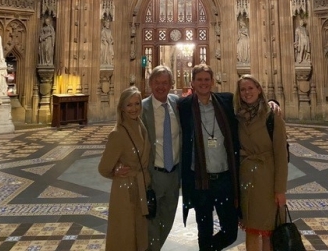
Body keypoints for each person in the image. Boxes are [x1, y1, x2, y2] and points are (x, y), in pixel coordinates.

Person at [117, 65, 181, 251]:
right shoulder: (141, 107)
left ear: (171, 84)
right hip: (152, 174)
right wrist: (117, 163)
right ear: (150, 84)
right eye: (157, 82)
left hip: (174, 174)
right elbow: (123, 132)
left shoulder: (177, 104)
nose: (161, 86)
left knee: (167, 219)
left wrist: (272, 102)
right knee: (151, 221)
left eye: (165, 83)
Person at [178, 64, 240, 251]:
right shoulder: (183, 106)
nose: (203, 83)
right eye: (199, 80)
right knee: (203, 230)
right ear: (193, 83)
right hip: (200, 181)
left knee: (230, 231)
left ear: (212, 82)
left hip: (224, 179)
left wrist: (272, 102)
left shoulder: (226, 101)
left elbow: (251, 100)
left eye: (207, 79)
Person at [234, 75, 288, 251]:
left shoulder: (272, 115)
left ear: (259, 89)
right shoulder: (237, 115)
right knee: (251, 228)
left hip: (267, 179)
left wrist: (280, 190)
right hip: (247, 179)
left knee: (268, 230)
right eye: (243, 89)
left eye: (250, 88)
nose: (247, 92)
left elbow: (281, 153)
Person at [98, 86, 151, 251]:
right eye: (129, 105)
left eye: (137, 104)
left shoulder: (141, 126)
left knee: (139, 234)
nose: (134, 108)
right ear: (121, 107)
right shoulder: (118, 134)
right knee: (125, 236)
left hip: (140, 187)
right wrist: (115, 171)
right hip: (125, 191)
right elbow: (103, 168)